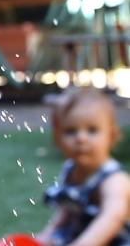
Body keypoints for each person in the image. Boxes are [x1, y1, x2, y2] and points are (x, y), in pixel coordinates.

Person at [36, 87, 130, 246]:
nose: (81, 139)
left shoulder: (115, 180)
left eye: (92, 130)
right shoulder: (71, 169)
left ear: (111, 136)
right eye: (71, 131)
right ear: (58, 139)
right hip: (78, 236)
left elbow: (112, 217)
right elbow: (66, 209)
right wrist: (46, 235)